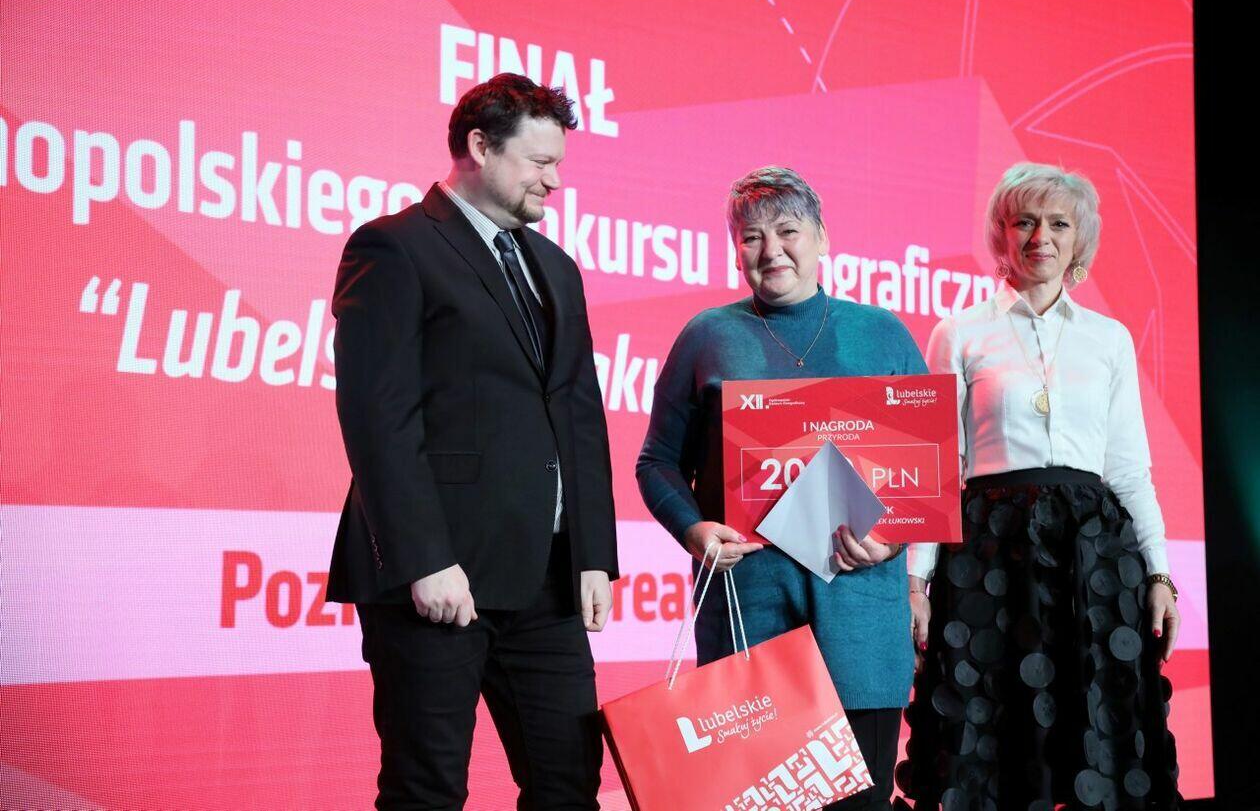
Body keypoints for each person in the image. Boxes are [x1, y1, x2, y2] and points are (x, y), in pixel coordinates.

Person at [327, 73, 618, 810]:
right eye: (539, 162)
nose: (555, 181)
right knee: (426, 790)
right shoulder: (394, 247)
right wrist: (424, 559)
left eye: (558, 163)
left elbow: (579, 413)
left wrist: (592, 553)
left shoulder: (557, 268)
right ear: (480, 146)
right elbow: (378, 418)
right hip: (437, 579)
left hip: (547, 578)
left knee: (569, 785)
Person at [637, 166, 926, 809]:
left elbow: (924, 476)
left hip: (861, 622)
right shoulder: (707, 337)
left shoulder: (883, 334)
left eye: (788, 232)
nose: (771, 251)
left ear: (822, 238)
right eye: (751, 237)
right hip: (750, 617)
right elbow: (656, 463)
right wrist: (692, 527)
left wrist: (891, 536)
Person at [899, 163, 1181, 809]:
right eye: (1024, 221)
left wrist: (1160, 574)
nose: (1040, 237)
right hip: (988, 560)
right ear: (1002, 232)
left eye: (1057, 223)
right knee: (990, 737)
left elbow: (1129, 470)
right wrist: (916, 583)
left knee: (1097, 737)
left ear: (1079, 238)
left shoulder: (1110, 339)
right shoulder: (958, 332)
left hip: (1095, 561)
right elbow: (937, 469)